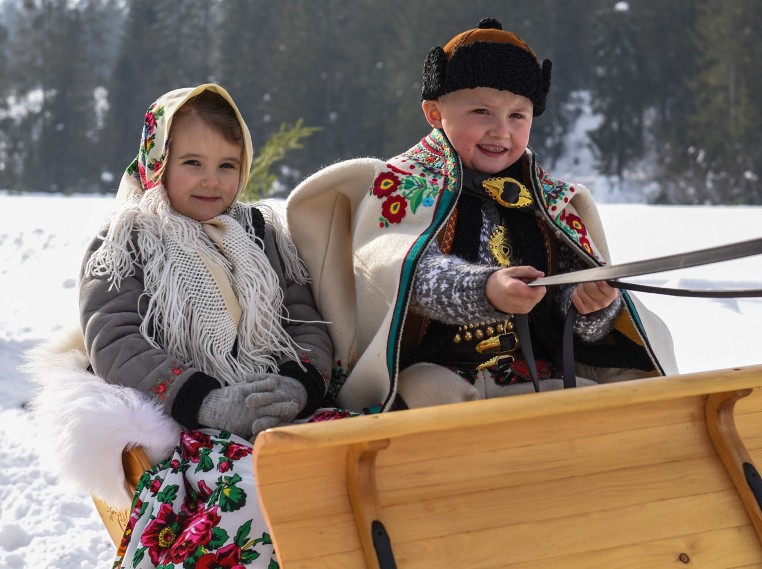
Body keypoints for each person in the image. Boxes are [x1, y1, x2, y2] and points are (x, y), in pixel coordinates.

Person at [284, 18, 678, 414]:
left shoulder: (547, 199)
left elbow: (577, 318)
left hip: (525, 369)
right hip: (431, 370)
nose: (500, 132)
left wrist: (590, 305)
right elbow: (402, 272)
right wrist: (484, 289)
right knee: (433, 394)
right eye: (481, 111)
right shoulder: (399, 184)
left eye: (517, 116)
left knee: (618, 396)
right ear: (435, 113)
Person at [26, 83, 347, 568]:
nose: (211, 181)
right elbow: (115, 339)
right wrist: (206, 400)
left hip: (275, 406)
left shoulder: (260, 234)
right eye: (192, 163)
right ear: (158, 161)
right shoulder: (125, 239)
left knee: (356, 465)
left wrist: (299, 383)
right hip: (187, 419)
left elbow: (304, 317)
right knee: (252, 493)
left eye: (227, 166)